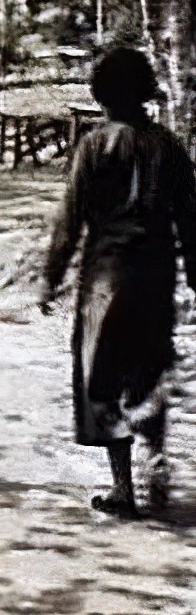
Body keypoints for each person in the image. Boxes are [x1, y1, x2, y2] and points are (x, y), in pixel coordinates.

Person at [44, 47, 196, 516]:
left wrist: (51, 276)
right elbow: (190, 221)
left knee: (102, 376)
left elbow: (70, 219)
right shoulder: (169, 147)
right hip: (155, 271)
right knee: (148, 368)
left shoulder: (93, 145)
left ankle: (123, 486)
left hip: (107, 275)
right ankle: (155, 455)